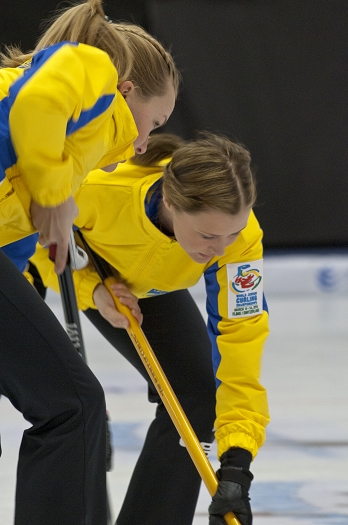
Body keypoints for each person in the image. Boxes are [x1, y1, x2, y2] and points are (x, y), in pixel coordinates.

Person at [30, 132, 270, 525]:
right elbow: (33, 243)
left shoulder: (240, 241)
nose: (222, 248)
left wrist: (237, 465)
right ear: (172, 203)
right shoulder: (98, 189)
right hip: (72, 262)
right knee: (65, 406)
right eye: (208, 236)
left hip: (150, 287)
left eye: (232, 234)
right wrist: (91, 289)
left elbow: (241, 344)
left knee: (195, 393)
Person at [0, 0, 179, 523]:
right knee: (73, 407)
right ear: (127, 92)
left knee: (71, 406)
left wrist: (90, 288)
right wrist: (55, 197)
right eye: (156, 120)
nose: (146, 141)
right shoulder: (91, 68)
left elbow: (16, 241)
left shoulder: (67, 152)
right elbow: (37, 104)